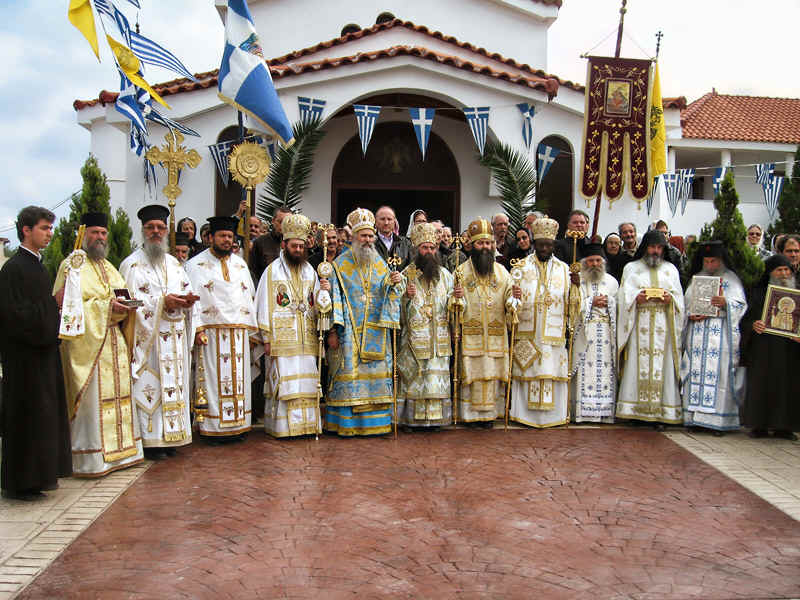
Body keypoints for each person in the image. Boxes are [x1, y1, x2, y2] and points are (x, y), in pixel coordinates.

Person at [54, 212, 144, 476]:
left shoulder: (110, 267)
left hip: (113, 342)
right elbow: (65, 307)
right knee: (93, 403)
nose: (100, 238)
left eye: (103, 233)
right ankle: (92, 459)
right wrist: (107, 307)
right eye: (95, 233)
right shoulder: (72, 265)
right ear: (83, 234)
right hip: (89, 346)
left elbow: (121, 295)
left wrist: (126, 306)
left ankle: (122, 454)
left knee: (119, 399)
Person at [0, 207, 71, 499]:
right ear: (26, 230)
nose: (50, 234)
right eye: (44, 228)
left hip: (42, 357)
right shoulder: (13, 269)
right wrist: (53, 305)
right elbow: (14, 316)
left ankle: (39, 477)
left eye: (51, 229)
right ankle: (21, 483)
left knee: (42, 417)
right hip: (23, 361)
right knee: (25, 417)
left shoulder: (39, 266)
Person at [119, 205, 198, 459]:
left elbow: (186, 290)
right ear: (142, 230)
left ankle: (172, 437)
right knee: (151, 386)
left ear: (166, 231)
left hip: (174, 337)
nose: (156, 232)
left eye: (160, 228)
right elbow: (131, 303)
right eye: (151, 228)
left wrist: (187, 302)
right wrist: (164, 302)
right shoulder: (131, 265)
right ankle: (151, 441)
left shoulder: (175, 264)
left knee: (175, 386)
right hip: (150, 343)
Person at [325, 208, 403, 435]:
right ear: (354, 237)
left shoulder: (380, 263)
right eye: (364, 236)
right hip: (348, 333)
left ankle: (376, 425)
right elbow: (334, 299)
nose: (368, 240)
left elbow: (389, 291)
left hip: (376, 331)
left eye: (371, 236)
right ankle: (347, 425)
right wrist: (333, 331)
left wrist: (395, 282)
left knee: (374, 380)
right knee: (349, 375)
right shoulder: (339, 265)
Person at [255, 214, 331, 438]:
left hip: (307, 339)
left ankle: (306, 427)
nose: (298, 249)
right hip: (282, 341)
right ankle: (283, 429)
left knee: (307, 385)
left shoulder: (310, 271)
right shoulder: (272, 272)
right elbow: (263, 305)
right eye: (294, 245)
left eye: (301, 246)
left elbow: (319, 306)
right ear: (284, 245)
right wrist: (266, 338)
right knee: (286, 386)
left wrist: (324, 291)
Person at [185, 216, 260, 442]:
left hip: (238, 334)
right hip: (210, 334)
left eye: (230, 236)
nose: (227, 240)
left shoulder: (240, 264)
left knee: (239, 381)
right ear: (211, 238)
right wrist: (197, 329)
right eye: (222, 236)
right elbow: (192, 301)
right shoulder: (195, 265)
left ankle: (239, 426)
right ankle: (213, 429)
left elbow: (249, 297)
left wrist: (251, 333)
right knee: (213, 381)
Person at [616, 230, 684, 430]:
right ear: (645, 247)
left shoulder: (671, 269)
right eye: (652, 247)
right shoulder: (631, 268)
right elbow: (622, 296)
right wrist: (636, 297)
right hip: (639, 324)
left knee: (663, 368)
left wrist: (671, 300)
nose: (655, 251)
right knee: (637, 365)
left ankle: (661, 413)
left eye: (659, 248)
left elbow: (679, 297)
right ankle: (635, 412)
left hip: (664, 324)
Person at [680, 241, 747, 435]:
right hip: (697, 334)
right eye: (706, 261)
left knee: (718, 377)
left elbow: (740, 305)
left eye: (713, 261)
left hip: (720, 335)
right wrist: (690, 315)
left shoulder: (731, 279)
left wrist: (726, 302)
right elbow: (685, 305)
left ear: (721, 261)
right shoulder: (696, 279)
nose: (709, 265)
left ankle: (718, 421)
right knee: (695, 373)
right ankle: (694, 419)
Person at [452, 218, 515, 427]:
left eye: (488, 243)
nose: (485, 247)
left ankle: (490, 416)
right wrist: (456, 299)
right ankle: (469, 416)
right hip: (472, 334)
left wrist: (514, 299)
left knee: (491, 376)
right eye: (481, 243)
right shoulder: (461, 271)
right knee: (472, 375)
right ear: (472, 245)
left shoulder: (502, 272)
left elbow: (510, 300)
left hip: (496, 335)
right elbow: (453, 304)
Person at [509, 216, 569, 428]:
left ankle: (554, 417)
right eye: (541, 244)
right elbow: (509, 303)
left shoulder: (564, 269)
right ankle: (524, 416)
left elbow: (572, 303)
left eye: (548, 245)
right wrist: (514, 297)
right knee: (529, 373)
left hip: (553, 336)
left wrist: (577, 288)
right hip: (528, 333)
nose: (544, 248)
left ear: (553, 245)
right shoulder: (521, 267)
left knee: (551, 372)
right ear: (534, 244)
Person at [397, 223, 454, 430]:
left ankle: (436, 421)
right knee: (414, 380)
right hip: (414, 341)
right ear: (416, 250)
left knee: (434, 379)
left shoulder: (446, 276)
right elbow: (397, 313)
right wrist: (405, 298)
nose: (429, 252)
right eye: (424, 248)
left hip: (438, 340)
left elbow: (454, 307)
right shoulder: (405, 275)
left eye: (432, 248)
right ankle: (411, 421)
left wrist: (457, 301)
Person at [740, 254, 800, 440]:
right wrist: (753, 325)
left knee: (787, 386)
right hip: (763, 348)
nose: (783, 274)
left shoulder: (797, 293)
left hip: (790, 349)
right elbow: (746, 319)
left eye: (787, 270)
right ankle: (759, 425)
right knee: (762, 384)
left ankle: (785, 427)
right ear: (770, 273)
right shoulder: (758, 293)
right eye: (779, 270)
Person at [572, 244, 619, 423]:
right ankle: (582, 413)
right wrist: (591, 301)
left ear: (603, 262)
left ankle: (604, 414)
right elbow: (573, 306)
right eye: (590, 260)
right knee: (585, 370)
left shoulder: (613, 282)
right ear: (584, 262)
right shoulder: (579, 282)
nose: (594, 264)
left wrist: (610, 302)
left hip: (606, 333)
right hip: (586, 331)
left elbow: (621, 308)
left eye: (598, 260)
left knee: (606, 371)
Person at [250, 205, 292, 284]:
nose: (284, 225)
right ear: (273, 221)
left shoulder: (296, 245)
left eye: (288, 222)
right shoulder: (260, 242)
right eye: (280, 222)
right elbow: (253, 272)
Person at [374, 205, 412, 271]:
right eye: (382, 219)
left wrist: (401, 277)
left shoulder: (406, 243)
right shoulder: (370, 242)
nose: (386, 223)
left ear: (394, 222)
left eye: (389, 219)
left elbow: (412, 267)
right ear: (376, 222)